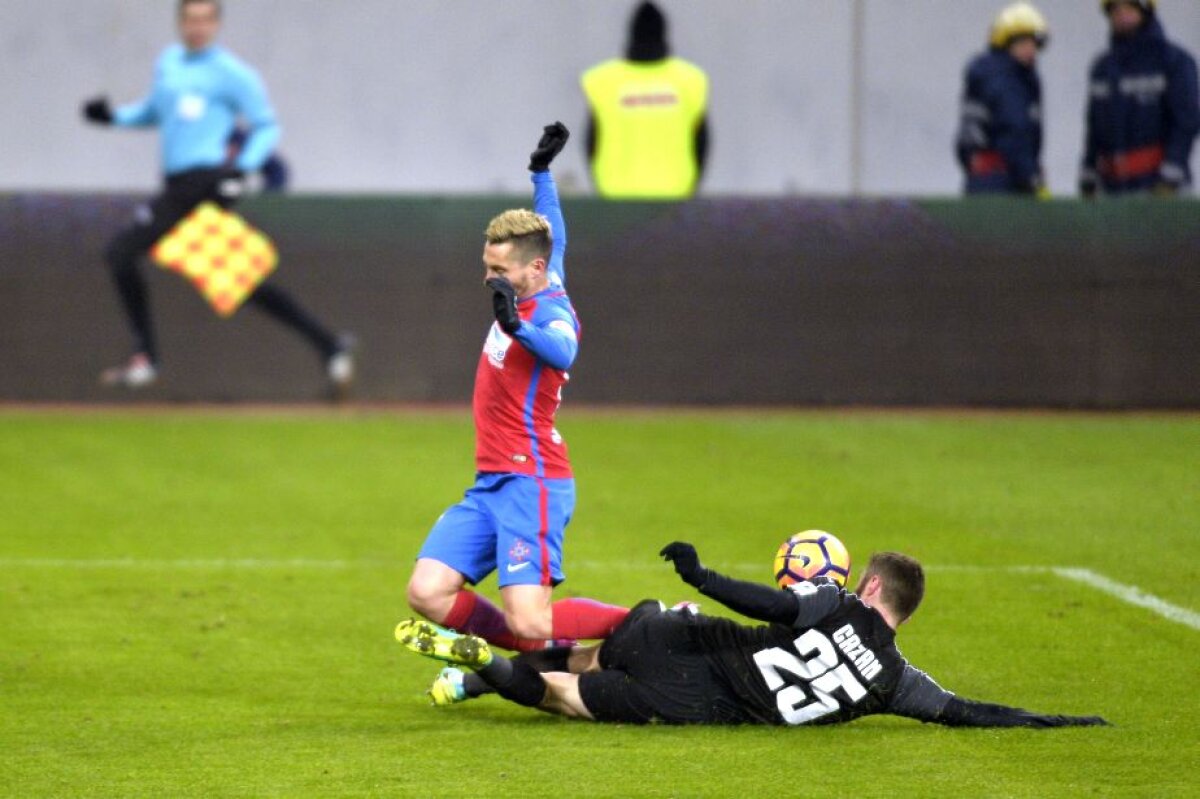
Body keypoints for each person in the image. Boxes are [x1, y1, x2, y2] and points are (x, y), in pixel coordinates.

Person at [396, 543, 1108, 729]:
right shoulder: (898, 683)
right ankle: (484, 665)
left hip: (690, 640)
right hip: (695, 703)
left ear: (868, 587)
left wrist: (700, 574)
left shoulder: (835, 604)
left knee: (622, 627)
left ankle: (481, 662)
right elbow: (966, 712)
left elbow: (767, 600)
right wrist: (1052, 718)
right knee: (560, 697)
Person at [404, 122, 628, 653]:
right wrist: (541, 172)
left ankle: (652, 621)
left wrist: (517, 327)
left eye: (498, 269)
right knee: (428, 592)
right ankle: (554, 658)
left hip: (533, 481)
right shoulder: (543, 269)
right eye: (486, 266)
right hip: (492, 483)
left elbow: (564, 350)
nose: (490, 278)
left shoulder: (550, 310)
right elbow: (552, 229)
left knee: (530, 620)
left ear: (534, 269)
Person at [81, 0, 354, 391]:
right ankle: (330, 345)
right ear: (180, 22)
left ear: (217, 24)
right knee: (238, 281)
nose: (198, 26)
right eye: (191, 18)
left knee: (121, 252)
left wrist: (242, 169)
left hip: (205, 184)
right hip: (177, 186)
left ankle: (146, 358)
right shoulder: (169, 63)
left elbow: (265, 126)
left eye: (206, 19)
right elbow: (155, 111)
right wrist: (113, 118)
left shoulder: (232, 74)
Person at [580, 1, 710, 199]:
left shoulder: (603, 81)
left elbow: (591, 143)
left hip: (615, 200)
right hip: (675, 199)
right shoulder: (690, 81)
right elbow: (701, 143)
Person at [1080, 0, 1200, 196]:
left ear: (1145, 11)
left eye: (1129, 8)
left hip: (1159, 185)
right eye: (1116, 10)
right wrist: (1089, 169)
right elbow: (1094, 126)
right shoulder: (1102, 68)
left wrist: (1172, 172)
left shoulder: (1174, 62)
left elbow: (1186, 122)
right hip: (1113, 189)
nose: (1121, 15)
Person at [956, 3, 1049, 196]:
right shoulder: (1007, 80)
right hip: (1005, 186)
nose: (1031, 51)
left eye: (1034, 44)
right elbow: (1014, 131)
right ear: (1007, 43)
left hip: (980, 183)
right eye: (1024, 43)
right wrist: (1031, 178)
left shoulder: (985, 75)